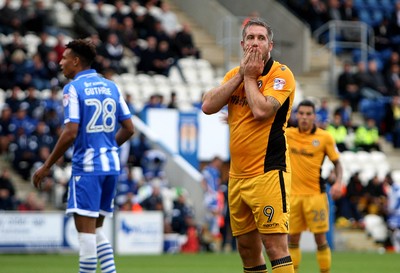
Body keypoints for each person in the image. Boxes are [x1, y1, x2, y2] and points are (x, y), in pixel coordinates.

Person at [32, 39, 135, 273]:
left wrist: (47, 165)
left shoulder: (73, 89)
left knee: (85, 236)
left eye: (65, 58)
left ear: (76, 62)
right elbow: (129, 128)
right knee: (96, 231)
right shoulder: (111, 86)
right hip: (110, 167)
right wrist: (108, 147)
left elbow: (70, 132)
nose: (60, 62)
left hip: (87, 169)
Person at [202, 17, 295, 273]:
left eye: (261, 38)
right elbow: (208, 106)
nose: (256, 43)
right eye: (251, 38)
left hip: (267, 173)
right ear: (243, 44)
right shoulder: (234, 75)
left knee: (275, 246)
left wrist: (251, 77)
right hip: (237, 177)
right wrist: (241, 75)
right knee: (246, 249)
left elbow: (262, 110)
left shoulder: (281, 74)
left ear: (270, 46)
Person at [286, 100, 343, 273]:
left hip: (315, 195)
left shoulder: (324, 137)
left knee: (320, 238)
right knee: (293, 239)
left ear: (314, 116)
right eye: (301, 113)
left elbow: (337, 164)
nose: (304, 117)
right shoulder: (287, 134)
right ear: (296, 115)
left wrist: (339, 181)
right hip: (293, 196)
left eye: (308, 114)